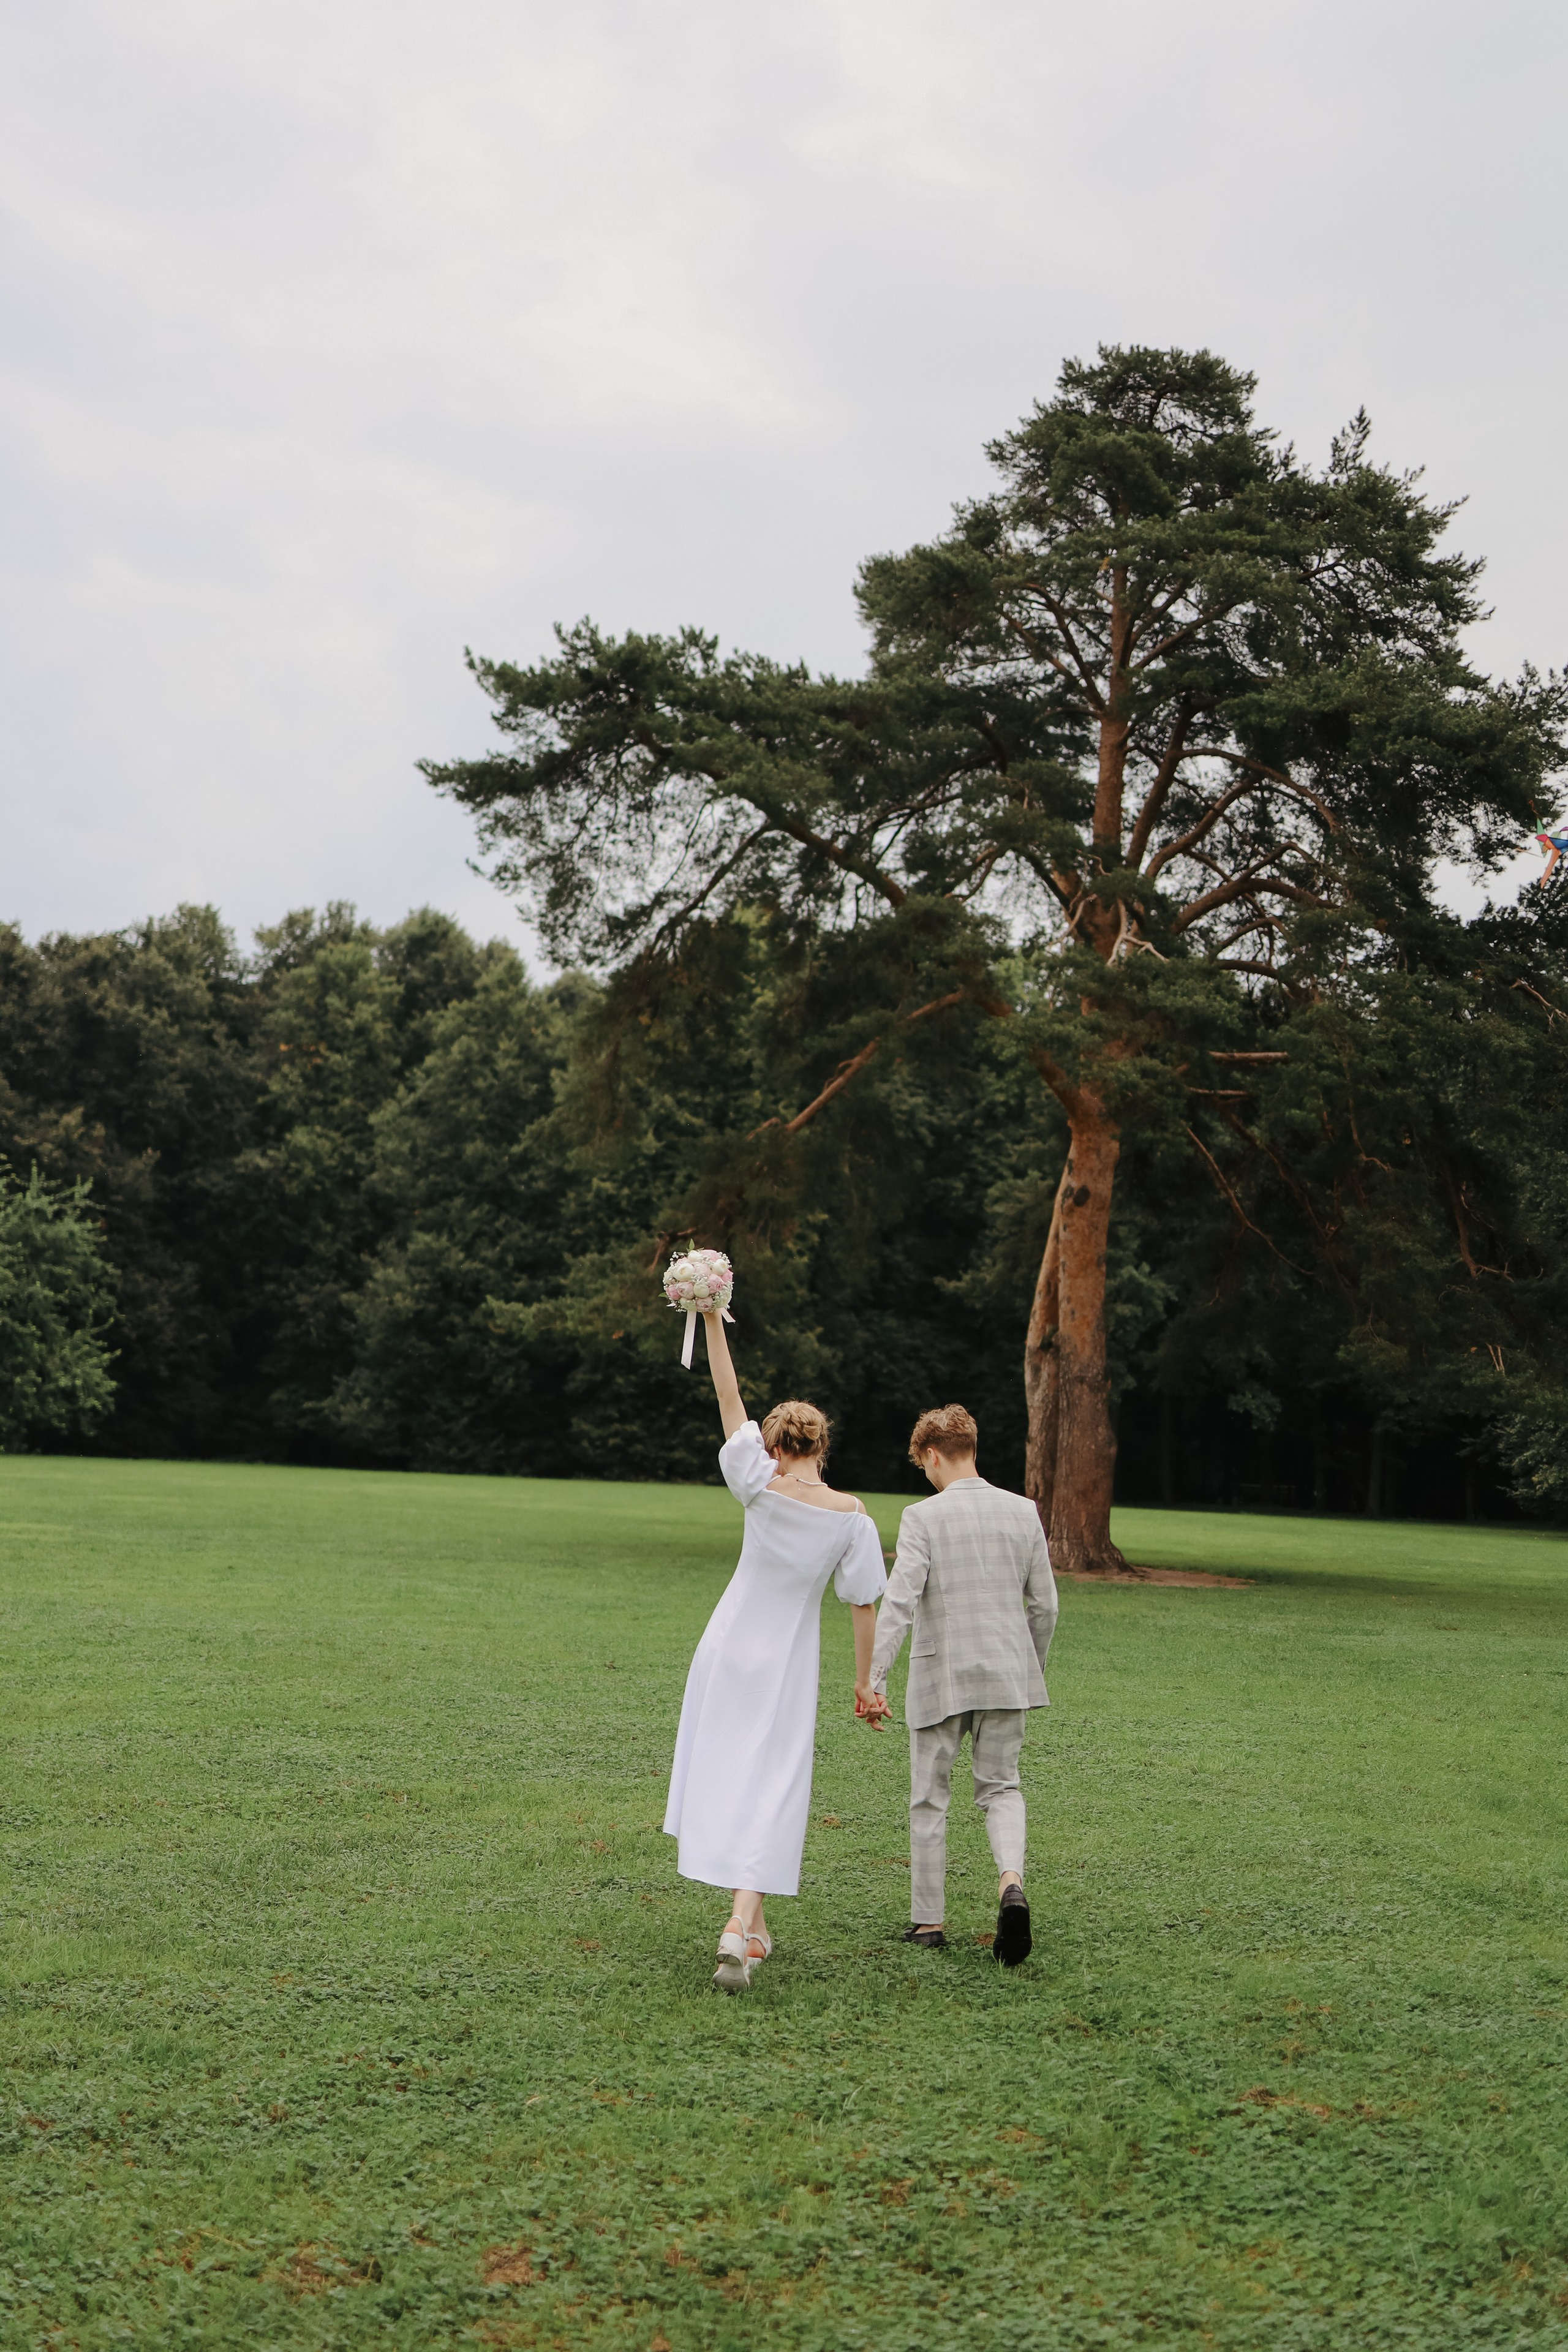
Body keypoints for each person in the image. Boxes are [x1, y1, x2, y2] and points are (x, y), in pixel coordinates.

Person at [663, 1308, 888, 1993]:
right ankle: (739, 1923)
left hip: (728, 1647)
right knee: (775, 1786)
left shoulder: (757, 1486)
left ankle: (750, 1928)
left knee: (733, 1773)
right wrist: (865, 1684)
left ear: (773, 1444)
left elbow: (726, 1394)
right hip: (788, 1660)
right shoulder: (853, 1518)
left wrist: (712, 1321)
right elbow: (862, 1604)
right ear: (823, 1445)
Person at [867, 1403, 1057, 1967]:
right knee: (1002, 1787)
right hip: (1006, 1672)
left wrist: (874, 1678)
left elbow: (899, 1602)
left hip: (939, 1673)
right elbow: (1045, 1607)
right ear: (971, 1448)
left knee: (930, 1797)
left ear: (931, 1455)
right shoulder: (1024, 1512)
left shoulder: (922, 1517)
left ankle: (929, 1922)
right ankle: (1010, 1883)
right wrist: (1030, 1669)